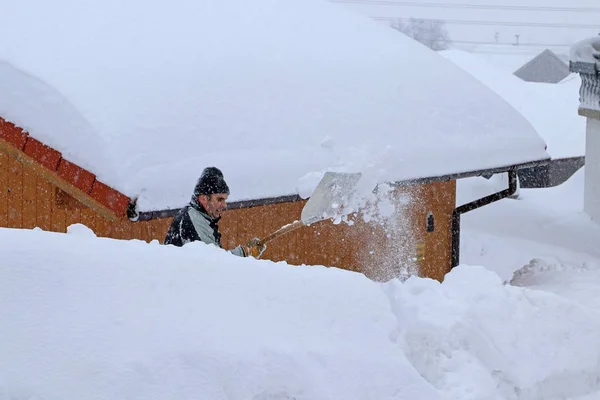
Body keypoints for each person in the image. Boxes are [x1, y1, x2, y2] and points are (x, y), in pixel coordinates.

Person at [164, 167, 266, 258]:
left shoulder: (200, 216)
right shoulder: (193, 220)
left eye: (225, 200)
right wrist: (244, 252)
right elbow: (215, 264)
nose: (224, 205)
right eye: (219, 199)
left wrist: (245, 252)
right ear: (203, 198)